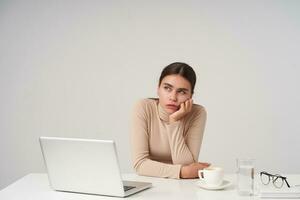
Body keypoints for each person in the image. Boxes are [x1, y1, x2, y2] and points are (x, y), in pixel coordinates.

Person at [130, 62, 210, 179]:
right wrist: (183, 172)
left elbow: (187, 165)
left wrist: (174, 121)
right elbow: (140, 165)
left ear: (191, 96)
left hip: (182, 186)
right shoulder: (143, 107)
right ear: (158, 89)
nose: (173, 97)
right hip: (149, 181)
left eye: (182, 92)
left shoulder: (197, 113)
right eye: (167, 88)